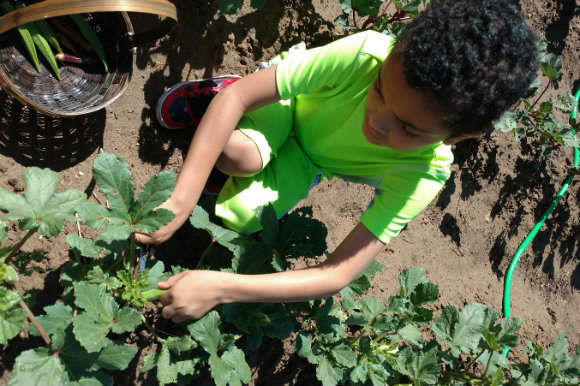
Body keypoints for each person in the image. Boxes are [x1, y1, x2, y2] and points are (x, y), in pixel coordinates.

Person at [135, 0, 538, 323]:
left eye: (408, 128)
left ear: (457, 136)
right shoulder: (365, 55)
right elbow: (238, 101)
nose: (377, 122)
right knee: (235, 154)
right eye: (379, 90)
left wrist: (222, 287)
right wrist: (180, 201)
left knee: (242, 217)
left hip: (312, 159)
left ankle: (226, 158)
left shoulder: (422, 176)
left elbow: (337, 274)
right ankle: (226, 92)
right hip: (291, 104)